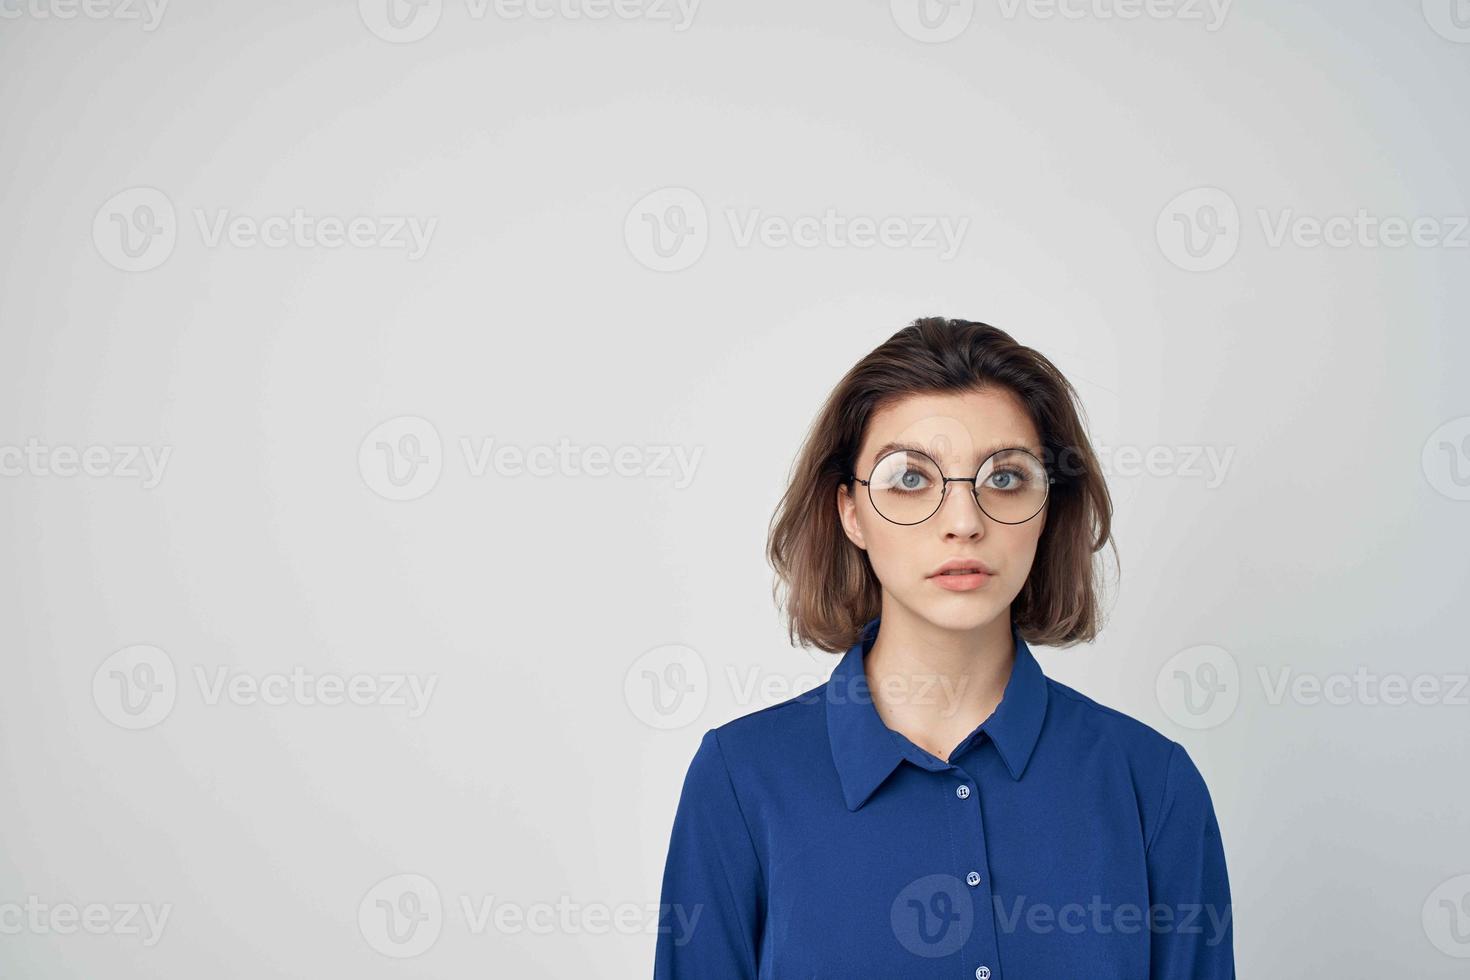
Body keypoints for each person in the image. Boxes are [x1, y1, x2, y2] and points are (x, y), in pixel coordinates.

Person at [653, 317, 1234, 979]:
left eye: (1006, 478)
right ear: (850, 512)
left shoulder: (1151, 787)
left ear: (1049, 507)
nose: (965, 522)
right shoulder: (739, 782)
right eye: (910, 479)